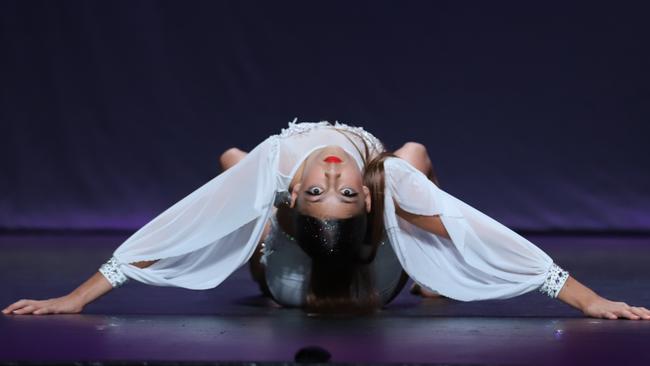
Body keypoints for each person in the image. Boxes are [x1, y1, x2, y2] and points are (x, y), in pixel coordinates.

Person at [2, 119, 649, 319]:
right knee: (238, 171)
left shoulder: (371, 185)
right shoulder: (379, 180)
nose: (335, 177)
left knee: (240, 161)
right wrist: (76, 298)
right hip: (292, 259)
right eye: (329, 191)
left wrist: (583, 296)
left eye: (326, 190)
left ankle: (418, 273)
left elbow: (476, 232)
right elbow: (181, 228)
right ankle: (270, 249)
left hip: (333, 246)